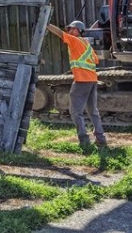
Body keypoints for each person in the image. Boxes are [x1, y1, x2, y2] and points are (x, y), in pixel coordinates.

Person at [46, 20, 107, 149]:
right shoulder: (87, 44)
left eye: (71, 29)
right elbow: (95, 60)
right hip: (92, 80)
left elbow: (60, 34)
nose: (68, 31)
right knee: (93, 111)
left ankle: (84, 140)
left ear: (78, 30)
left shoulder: (75, 41)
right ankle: (101, 139)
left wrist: (46, 24)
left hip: (81, 81)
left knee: (75, 112)